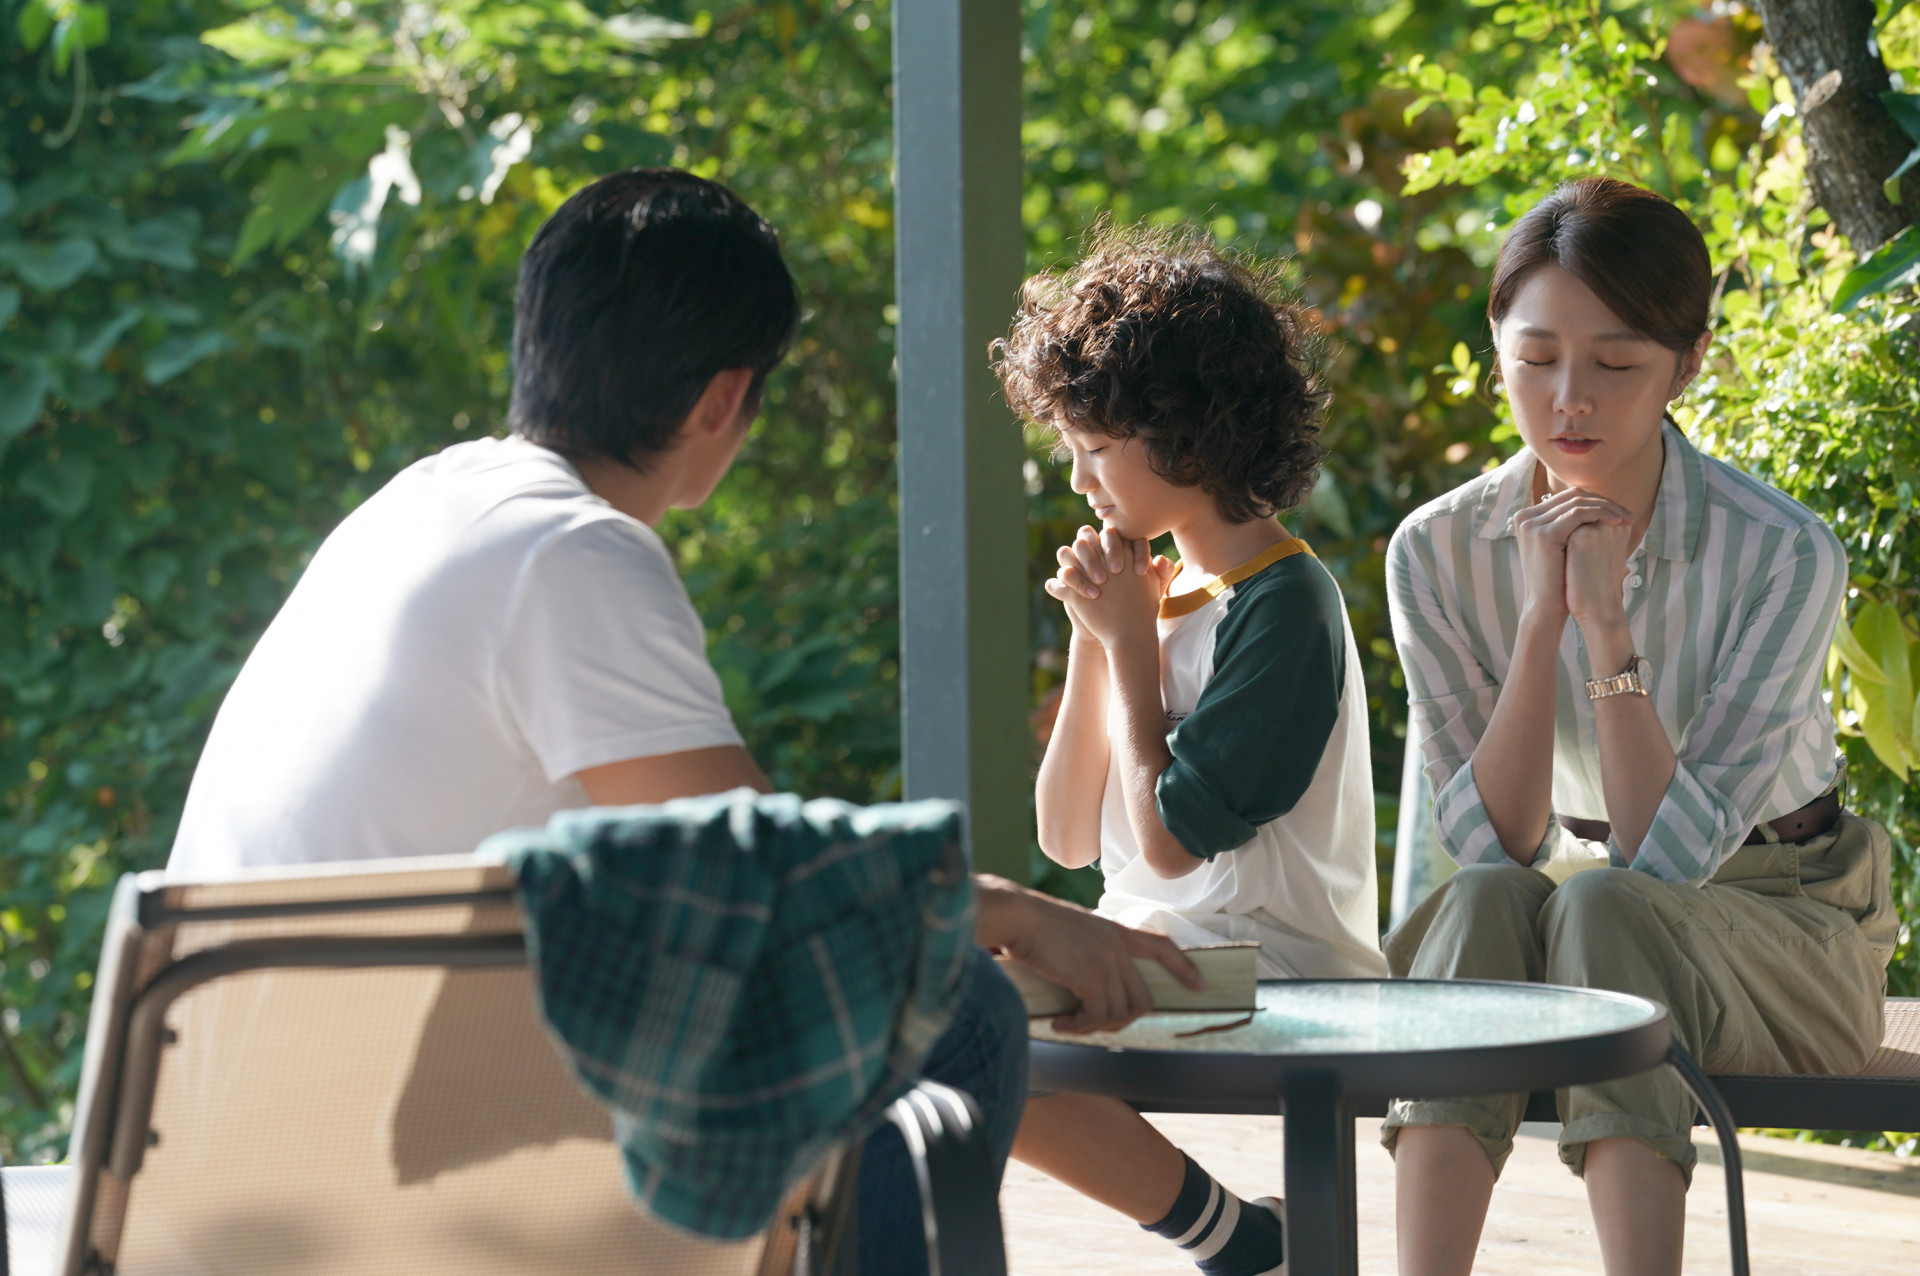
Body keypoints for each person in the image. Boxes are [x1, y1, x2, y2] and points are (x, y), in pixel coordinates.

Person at [164, 167, 1202, 1273]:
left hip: (213, 1140)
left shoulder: (422, 503)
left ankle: (1219, 1229)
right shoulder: (571, 550)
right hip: (376, 1177)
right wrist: (1020, 912)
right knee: (952, 1004)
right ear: (722, 400)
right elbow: (799, 897)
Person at [1383, 176, 1897, 1276]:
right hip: (1583, 913)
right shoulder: (1436, 549)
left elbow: (1668, 856)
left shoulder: (1783, 551)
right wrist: (1538, 626)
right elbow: (1492, 845)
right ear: (1496, 347)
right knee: (1480, 900)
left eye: (1617, 364)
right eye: (1537, 358)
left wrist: (1607, 631)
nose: (1571, 398)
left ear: (1688, 362)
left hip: (1790, 925)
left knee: (1610, 899)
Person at [992, 224, 1388, 1276]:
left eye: (1091, 447)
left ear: (1185, 433)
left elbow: (1170, 850)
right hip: (1165, 949)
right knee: (949, 1011)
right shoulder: (1164, 599)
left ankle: (1240, 1242)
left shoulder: (1286, 604)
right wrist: (1100, 636)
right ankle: (1238, 1239)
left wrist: (1127, 645)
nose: (1077, 481)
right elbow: (1068, 834)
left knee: (973, 1031)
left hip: (1282, 968)